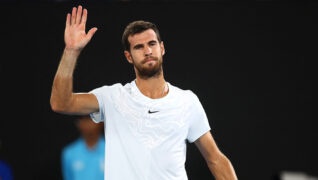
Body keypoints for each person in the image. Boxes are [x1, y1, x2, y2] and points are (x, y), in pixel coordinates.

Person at [50, 5, 238, 180]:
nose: (147, 51)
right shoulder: (113, 97)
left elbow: (215, 159)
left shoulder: (187, 100)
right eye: (139, 47)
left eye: (152, 44)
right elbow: (61, 103)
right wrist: (71, 51)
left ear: (162, 48)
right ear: (128, 56)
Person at [61, 115, 105, 180]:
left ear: (101, 122)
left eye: (92, 119)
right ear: (78, 123)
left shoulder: (111, 150)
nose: (88, 124)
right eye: (84, 119)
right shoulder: (70, 152)